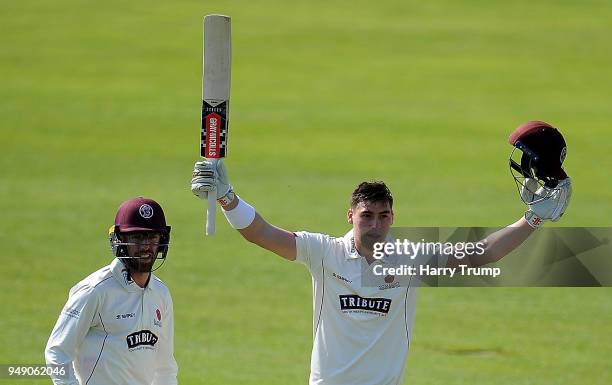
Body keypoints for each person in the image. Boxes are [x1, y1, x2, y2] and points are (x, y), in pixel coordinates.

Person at [191, 121, 571, 385]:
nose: (374, 224)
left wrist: (532, 221)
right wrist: (227, 197)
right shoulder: (324, 252)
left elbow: (483, 254)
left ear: (393, 218)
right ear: (350, 216)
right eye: (366, 216)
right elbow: (261, 233)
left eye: (383, 216)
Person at [45, 197, 178, 385]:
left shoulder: (161, 294)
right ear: (119, 240)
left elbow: (165, 367)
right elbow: (57, 352)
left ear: (162, 241)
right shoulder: (94, 291)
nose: (146, 246)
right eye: (137, 237)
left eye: (152, 237)